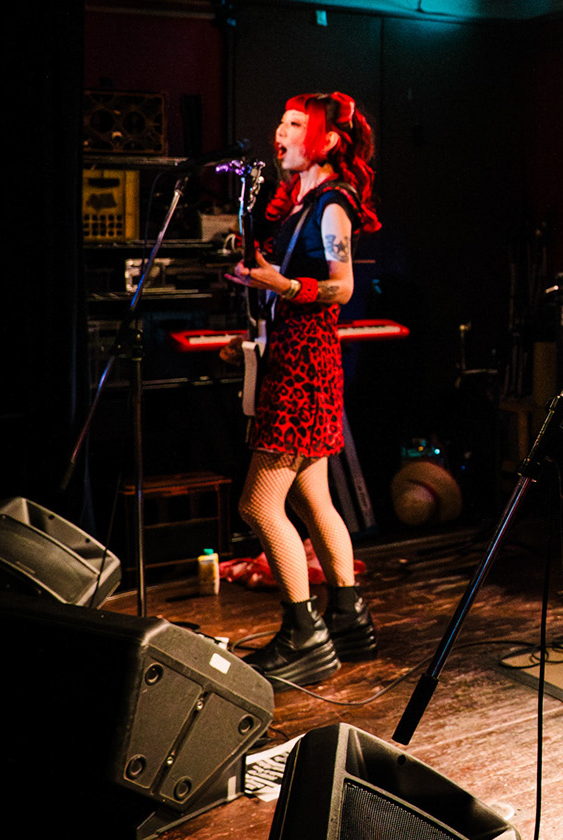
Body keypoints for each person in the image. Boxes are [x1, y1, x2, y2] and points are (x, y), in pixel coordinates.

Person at [225, 91, 382, 686]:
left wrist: (282, 285)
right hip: (301, 357)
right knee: (314, 499)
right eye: (281, 120)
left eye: (294, 123)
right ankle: (347, 618)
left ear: (329, 140)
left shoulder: (333, 204)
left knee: (258, 504)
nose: (279, 132)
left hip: (303, 364)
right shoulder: (306, 203)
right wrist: (261, 278)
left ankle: (304, 634)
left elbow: (340, 288)